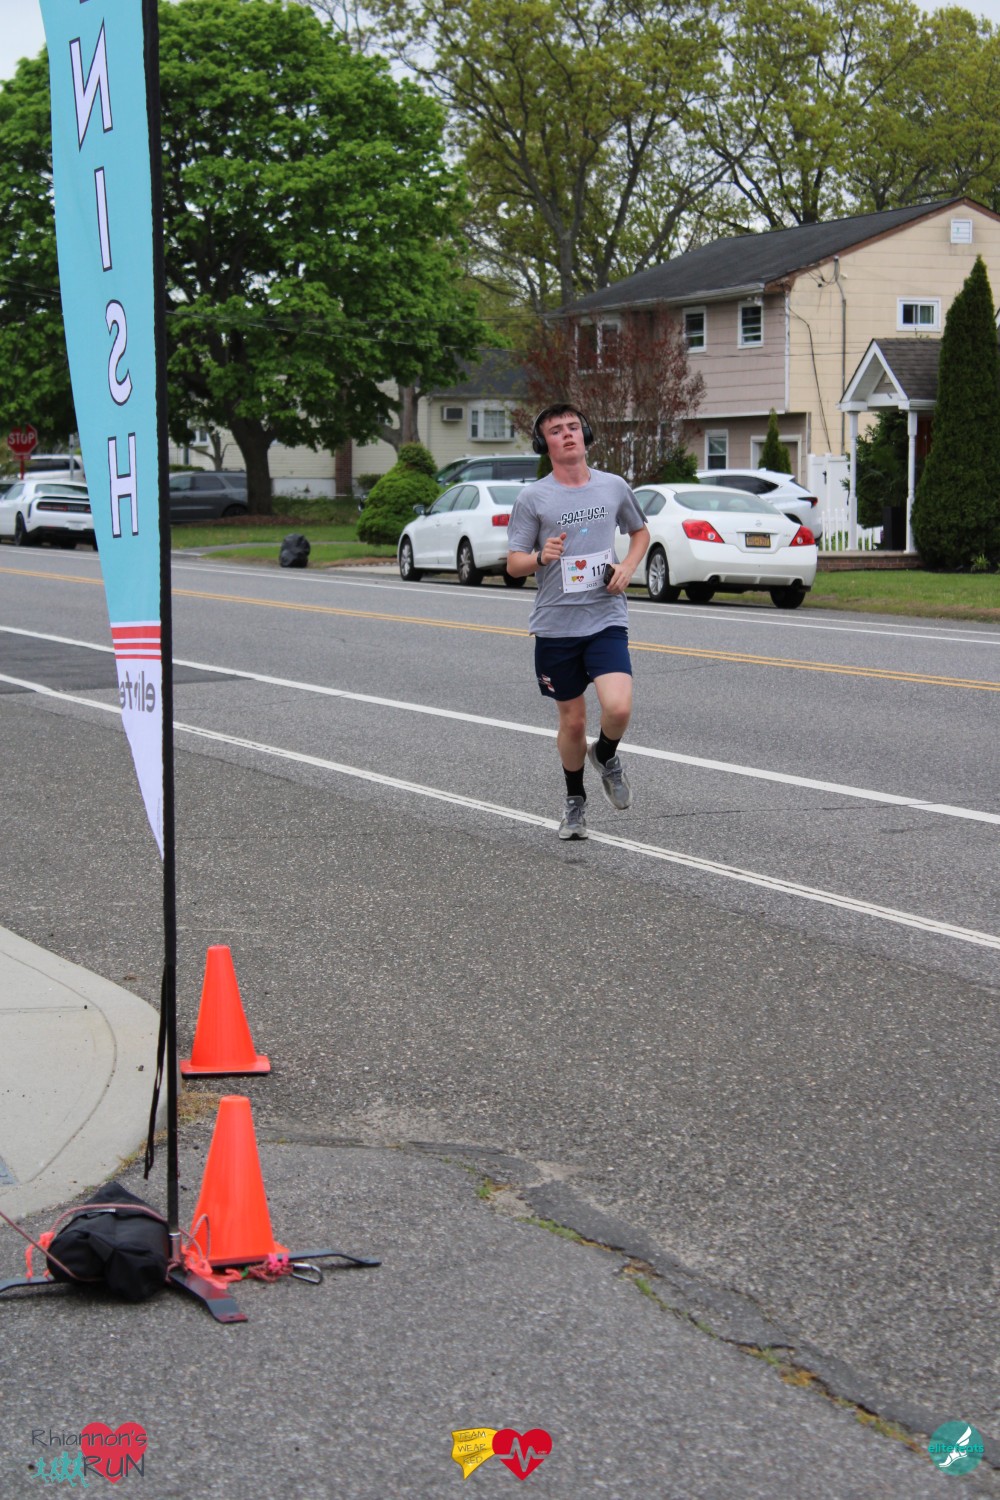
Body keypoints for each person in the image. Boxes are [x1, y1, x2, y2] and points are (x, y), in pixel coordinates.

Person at [506, 404, 649, 840]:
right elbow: (513, 564)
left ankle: (605, 754)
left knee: (618, 707)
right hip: (556, 625)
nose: (567, 434)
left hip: (605, 616)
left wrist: (627, 566)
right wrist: (540, 557)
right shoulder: (533, 498)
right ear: (543, 443)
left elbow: (640, 532)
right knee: (572, 723)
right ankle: (575, 801)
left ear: (585, 434)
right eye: (556, 430)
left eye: (573, 427)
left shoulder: (613, 486)